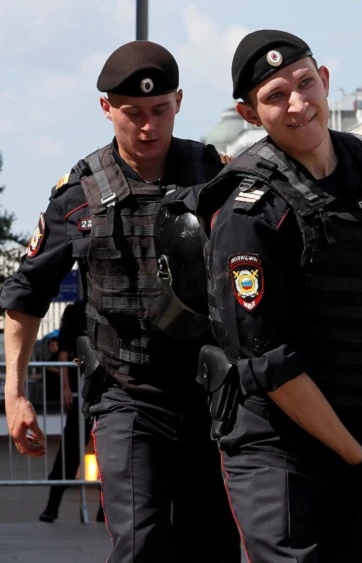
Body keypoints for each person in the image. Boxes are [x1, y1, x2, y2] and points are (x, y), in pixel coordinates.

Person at [196, 29, 362, 563]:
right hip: (278, 441)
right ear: (250, 113)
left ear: (325, 80)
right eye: (276, 96)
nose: (298, 104)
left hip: (360, 426)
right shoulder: (247, 211)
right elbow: (271, 363)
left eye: (306, 83)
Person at [1, 40, 240, 562]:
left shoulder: (217, 178)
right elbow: (25, 295)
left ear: (179, 102)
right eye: (133, 114)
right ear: (106, 108)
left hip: (209, 395)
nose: (148, 127)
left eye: (160, 111)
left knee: (213, 544)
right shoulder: (78, 194)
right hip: (128, 396)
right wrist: (15, 392)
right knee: (141, 544)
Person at [38, 299, 104, 523]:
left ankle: (103, 511)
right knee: (70, 449)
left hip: (109, 391)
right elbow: (65, 353)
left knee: (110, 452)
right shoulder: (76, 311)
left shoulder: (109, 305)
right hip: (82, 392)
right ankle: (52, 505)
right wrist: (68, 387)